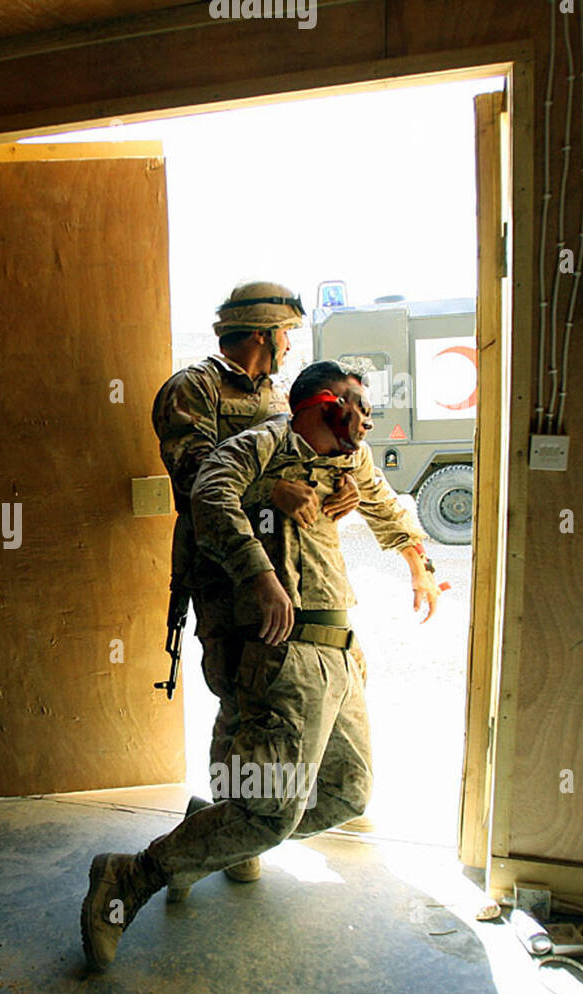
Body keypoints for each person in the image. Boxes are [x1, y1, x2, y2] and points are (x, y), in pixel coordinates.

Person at [82, 360, 441, 972]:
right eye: (358, 403)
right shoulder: (265, 441)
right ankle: (131, 876)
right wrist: (260, 571)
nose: (368, 416)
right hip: (290, 651)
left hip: (340, 650)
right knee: (271, 813)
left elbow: (382, 501)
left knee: (347, 794)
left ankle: (211, 833)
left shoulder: (344, 463)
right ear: (324, 402)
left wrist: (417, 561)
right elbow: (207, 489)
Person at [153, 282, 360, 894]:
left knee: (263, 713)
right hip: (223, 573)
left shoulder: (277, 396)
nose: (290, 346)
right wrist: (267, 492)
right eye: (285, 334)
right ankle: (224, 829)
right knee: (236, 703)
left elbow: (298, 465)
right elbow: (197, 477)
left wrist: (330, 492)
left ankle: (224, 826)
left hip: (279, 572)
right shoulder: (191, 389)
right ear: (261, 334)